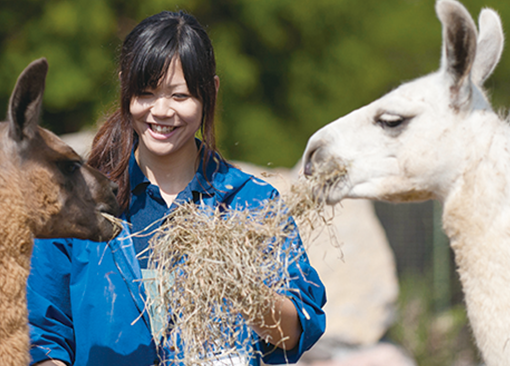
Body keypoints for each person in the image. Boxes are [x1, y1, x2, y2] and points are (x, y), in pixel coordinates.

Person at [27, 10, 326, 366]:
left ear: (210, 91)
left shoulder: (252, 203)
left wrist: (242, 288)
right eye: (146, 93)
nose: (162, 111)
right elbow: (42, 336)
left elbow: (298, 329)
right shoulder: (77, 205)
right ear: (126, 88)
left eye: (180, 96)